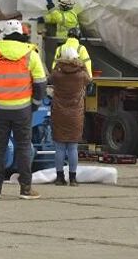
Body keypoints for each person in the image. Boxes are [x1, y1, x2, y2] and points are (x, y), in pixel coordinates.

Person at [0, 19, 47, 200]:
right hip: (23, 108)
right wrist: (36, 103)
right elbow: (40, 81)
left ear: (5, 34)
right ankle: (25, 189)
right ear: (22, 33)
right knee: (23, 147)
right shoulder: (31, 53)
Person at [49, 47, 91, 186]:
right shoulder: (81, 75)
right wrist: (81, 64)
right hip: (75, 115)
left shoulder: (57, 75)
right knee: (73, 148)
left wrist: (58, 64)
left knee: (60, 147)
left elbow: (50, 78)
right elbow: (89, 79)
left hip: (59, 113)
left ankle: (59, 177)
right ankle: (73, 178)